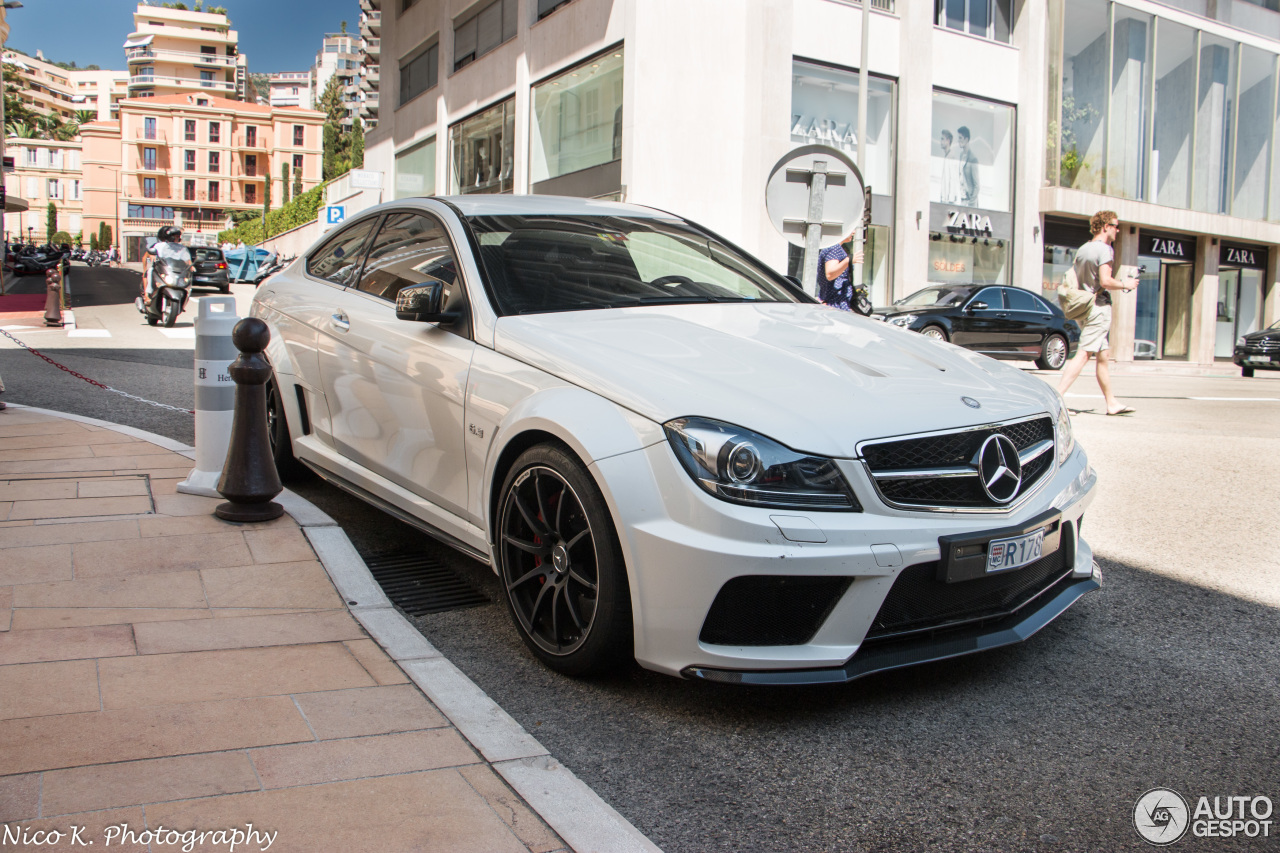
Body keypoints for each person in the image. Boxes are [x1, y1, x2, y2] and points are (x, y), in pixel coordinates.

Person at [1057, 210, 1137, 416]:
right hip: (1098, 308)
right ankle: (1056, 398)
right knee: (1083, 354)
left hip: (1084, 307)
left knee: (1103, 356)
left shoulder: (1083, 249)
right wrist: (1125, 284)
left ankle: (1111, 403)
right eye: (1115, 226)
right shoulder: (1105, 250)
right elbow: (1105, 281)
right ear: (1105, 227)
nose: (1117, 230)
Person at [816, 233, 867, 314]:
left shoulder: (836, 247)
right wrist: (848, 260)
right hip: (835, 305)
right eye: (851, 229)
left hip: (837, 304)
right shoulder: (834, 248)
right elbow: (830, 274)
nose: (853, 232)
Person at [142, 226, 190, 305]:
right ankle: (147, 295)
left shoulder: (179, 248)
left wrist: (189, 266)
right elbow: (147, 256)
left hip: (172, 269)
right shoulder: (158, 245)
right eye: (176, 236)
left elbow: (185, 259)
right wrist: (145, 268)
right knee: (150, 272)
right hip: (161, 268)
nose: (178, 238)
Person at [957, 126, 979, 206]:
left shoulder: (973, 159)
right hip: (962, 200)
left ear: (966, 139)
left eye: (960, 138)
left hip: (969, 202)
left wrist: (971, 204)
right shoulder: (961, 155)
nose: (958, 140)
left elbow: (977, 186)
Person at [939, 129, 960, 204]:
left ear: (948, 140)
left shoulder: (951, 156)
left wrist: (950, 201)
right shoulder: (947, 155)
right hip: (945, 199)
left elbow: (953, 180)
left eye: (942, 139)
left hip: (948, 201)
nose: (940, 142)